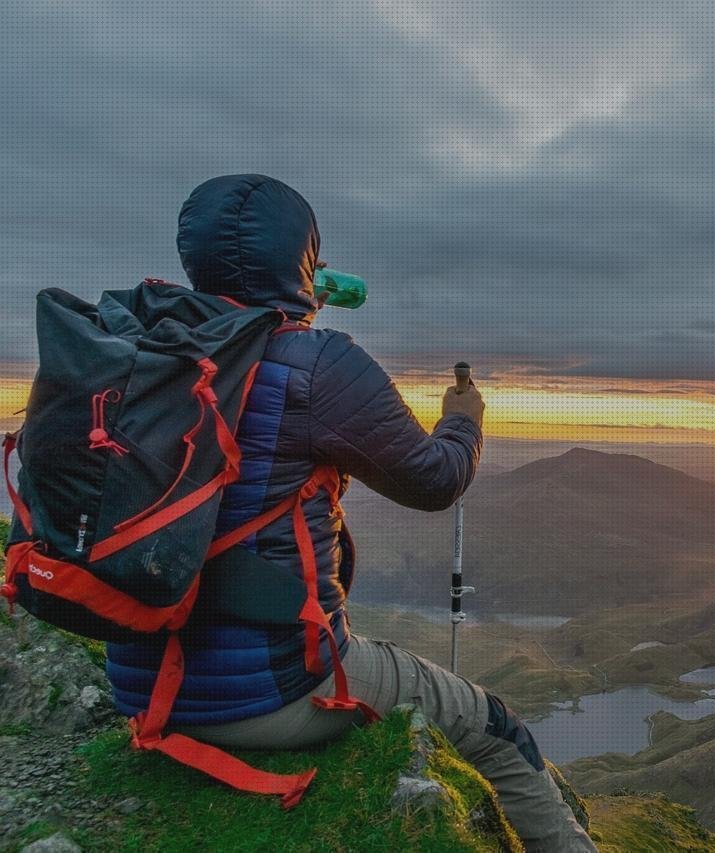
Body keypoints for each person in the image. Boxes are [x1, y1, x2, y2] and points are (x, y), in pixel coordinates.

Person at [104, 174, 596, 852]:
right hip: (271, 695)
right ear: (303, 258)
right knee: (495, 724)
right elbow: (434, 480)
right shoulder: (317, 363)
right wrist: (462, 421)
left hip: (137, 680)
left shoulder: (136, 351)